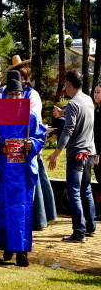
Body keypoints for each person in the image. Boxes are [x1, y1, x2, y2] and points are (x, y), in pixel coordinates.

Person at [0, 71, 47, 267]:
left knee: (23, 210)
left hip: (23, 171)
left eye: (17, 94)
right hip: (5, 170)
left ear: (23, 95)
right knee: (5, 209)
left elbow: (40, 137)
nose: (13, 98)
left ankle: (22, 252)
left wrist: (32, 144)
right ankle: (8, 246)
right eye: (10, 94)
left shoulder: (31, 116)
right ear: (5, 96)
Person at [0, 56, 56, 229]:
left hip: (24, 155)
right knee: (6, 198)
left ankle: (35, 221)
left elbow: (36, 129)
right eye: (16, 77)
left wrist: (33, 144)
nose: (20, 81)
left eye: (22, 77)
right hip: (7, 160)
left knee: (28, 194)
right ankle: (7, 234)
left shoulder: (33, 96)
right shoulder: (1, 94)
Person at [48, 69, 96, 242]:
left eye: (65, 85)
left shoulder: (74, 103)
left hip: (76, 154)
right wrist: (62, 113)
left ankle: (78, 232)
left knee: (74, 193)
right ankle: (90, 226)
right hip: (89, 153)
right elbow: (82, 118)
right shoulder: (88, 100)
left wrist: (56, 153)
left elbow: (68, 130)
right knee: (86, 190)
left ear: (69, 83)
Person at [93, 83, 101, 220]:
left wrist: (98, 152)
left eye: (99, 92)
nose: (95, 94)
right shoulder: (97, 109)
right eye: (95, 91)